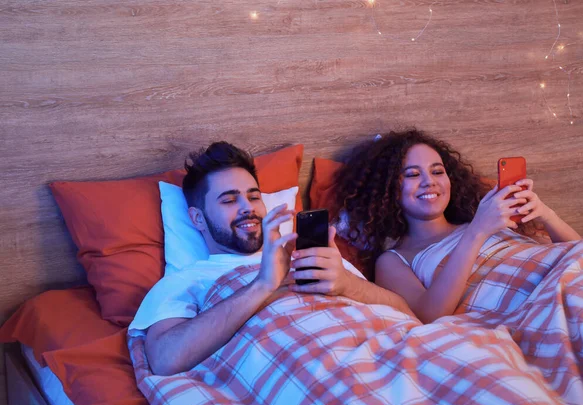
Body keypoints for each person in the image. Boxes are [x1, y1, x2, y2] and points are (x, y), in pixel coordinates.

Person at [128, 141, 414, 376]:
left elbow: (409, 315)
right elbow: (166, 359)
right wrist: (262, 286)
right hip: (315, 373)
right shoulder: (184, 280)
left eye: (254, 197)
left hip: (396, 358)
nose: (247, 209)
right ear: (197, 219)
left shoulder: (320, 259)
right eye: (228, 200)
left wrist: (346, 283)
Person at [331, 129, 581, 324]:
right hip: (537, 308)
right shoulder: (394, 260)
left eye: (437, 171)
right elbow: (430, 316)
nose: (429, 182)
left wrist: (546, 215)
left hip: (572, 281)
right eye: (412, 174)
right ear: (388, 190)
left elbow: (580, 254)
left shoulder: (486, 220)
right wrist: (477, 232)